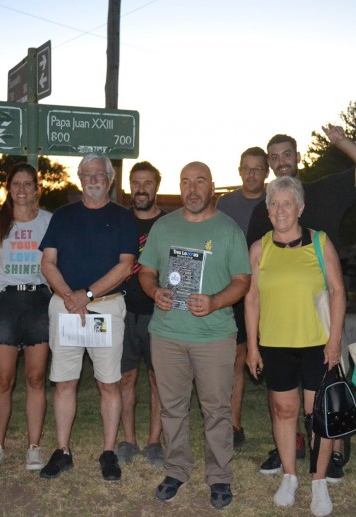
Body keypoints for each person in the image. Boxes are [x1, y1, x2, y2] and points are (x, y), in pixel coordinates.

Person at [248, 125, 356, 479]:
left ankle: (332, 453)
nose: (281, 162)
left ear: (299, 156)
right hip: (282, 318)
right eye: (273, 157)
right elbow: (256, 280)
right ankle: (289, 449)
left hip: (321, 309)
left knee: (323, 393)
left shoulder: (326, 189)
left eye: (286, 154)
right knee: (285, 401)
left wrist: (340, 142)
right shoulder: (266, 208)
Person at [138, 161, 251, 510]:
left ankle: (219, 477)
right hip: (167, 333)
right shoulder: (164, 227)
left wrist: (216, 301)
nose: (192, 189)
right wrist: (154, 291)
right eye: (185, 182)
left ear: (212, 187)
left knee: (216, 409)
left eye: (199, 181)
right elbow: (146, 271)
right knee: (172, 408)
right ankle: (176, 469)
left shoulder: (229, 230)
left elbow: (242, 281)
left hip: (214, 335)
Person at [245, 176, 345, 517]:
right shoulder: (260, 248)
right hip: (275, 344)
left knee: (317, 417)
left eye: (287, 203)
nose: (280, 210)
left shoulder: (320, 242)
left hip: (317, 344)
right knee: (283, 411)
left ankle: (318, 482)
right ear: (267, 210)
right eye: (274, 204)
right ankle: (290, 476)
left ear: (300, 208)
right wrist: (253, 347)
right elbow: (252, 298)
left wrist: (334, 340)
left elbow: (337, 292)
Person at [39, 153, 137, 482]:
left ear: (109, 179)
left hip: (105, 307)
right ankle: (63, 451)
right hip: (65, 306)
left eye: (99, 174)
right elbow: (48, 263)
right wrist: (70, 295)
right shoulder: (62, 216)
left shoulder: (123, 217)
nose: (93, 178)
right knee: (64, 381)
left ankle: (108, 453)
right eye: (87, 173)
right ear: (79, 178)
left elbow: (125, 266)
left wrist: (88, 295)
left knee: (108, 383)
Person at [0, 163, 53, 473]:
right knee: (2, 380)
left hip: (38, 301)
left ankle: (33, 447)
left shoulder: (49, 221)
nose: (22, 189)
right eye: (16, 184)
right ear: (9, 187)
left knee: (35, 379)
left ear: (37, 188)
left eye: (28, 184)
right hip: (4, 303)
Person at [216, 146, 269, 448]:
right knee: (236, 359)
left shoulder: (277, 201)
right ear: (239, 170)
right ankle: (233, 425)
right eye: (246, 168)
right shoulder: (225, 203)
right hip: (235, 288)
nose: (251, 174)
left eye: (257, 169)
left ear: (266, 173)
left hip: (271, 292)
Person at [116, 161, 167, 467]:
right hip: (122, 311)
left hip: (158, 313)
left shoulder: (169, 224)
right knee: (125, 378)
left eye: (147, 183)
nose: (141, 189)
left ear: (156, 186)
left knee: (157, 379)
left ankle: (154, 442)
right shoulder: (119, 221)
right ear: (129, 186)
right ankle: (128, 440)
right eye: (136, 182)